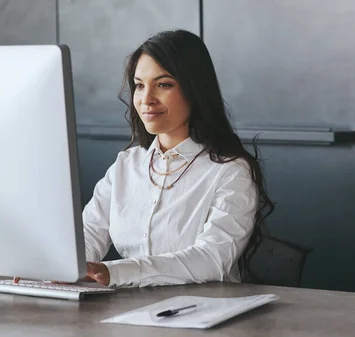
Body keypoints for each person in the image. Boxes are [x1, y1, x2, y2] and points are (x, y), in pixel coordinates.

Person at [14, 29, 274, 288]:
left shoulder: (230, 171)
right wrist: (52, 269)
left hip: (205, 316)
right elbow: (87, 236)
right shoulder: (127, 164)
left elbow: (211, 258)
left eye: (163, 84)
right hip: (127, 311)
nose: (146, 99)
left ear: (194, 90)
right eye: (139, 85)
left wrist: (114, 271)